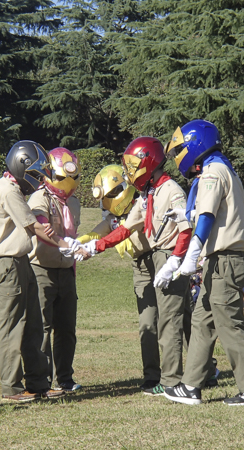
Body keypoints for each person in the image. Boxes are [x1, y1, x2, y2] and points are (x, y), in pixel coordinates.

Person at [162, 119, 244, 406]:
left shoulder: (212, 172)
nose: (177, 157)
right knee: (202, 322)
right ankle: (190, 386)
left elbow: (209, 217)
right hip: (222, 260)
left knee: (230, 325)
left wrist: (191, 255)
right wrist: (185, 217)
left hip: (224, 259)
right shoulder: (222, 169)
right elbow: (214, 213)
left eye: (180, 150)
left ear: (195, 144)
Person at [82, 137, 195, 396]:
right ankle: (165, 376)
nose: (130, 172)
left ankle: (172, 380)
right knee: (161, 319)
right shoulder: (149, 194)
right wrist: (94, 247)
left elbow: (185, 230)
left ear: (149, 162)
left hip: (168, 256)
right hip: (154, 256)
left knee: (171, 319)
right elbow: (125, 229)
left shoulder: (172, 191)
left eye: (134, 165)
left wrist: (175, 260)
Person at [0, 140, 75, 403]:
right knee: (12, 326)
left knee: (34, 324)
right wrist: (65, 245)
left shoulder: (13, 189)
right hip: (8, 263)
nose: (39, 179)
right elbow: (34, 226)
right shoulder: (8, 190)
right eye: (36, 173)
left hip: (21, 261)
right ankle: (11, 387)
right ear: (21, 166)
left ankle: (38, 383)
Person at [27, 147, 83, 393]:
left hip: (66, 270)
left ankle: (65, 378)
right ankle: (42, 380)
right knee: (42, 328)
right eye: (62, 178)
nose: (67, 184)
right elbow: (41, 226)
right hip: (42, 269)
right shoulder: (40, 198)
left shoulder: (74, 202)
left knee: (66, 328)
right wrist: (63, 244)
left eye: (72, 178)